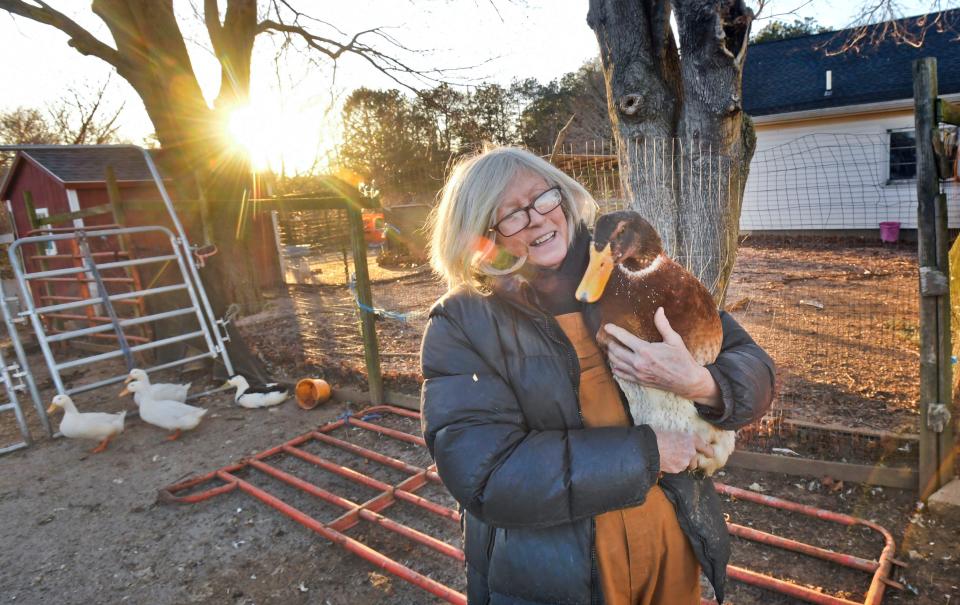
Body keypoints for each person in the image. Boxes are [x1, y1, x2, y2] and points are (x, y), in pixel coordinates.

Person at [420, 146, 775, 605]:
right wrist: (649, 452)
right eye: (510, 215)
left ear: (564, 197)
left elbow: (753, 364)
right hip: (556, 574)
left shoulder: (630, 275)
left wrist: (701, 385)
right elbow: (486, 472)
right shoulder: (463, 322)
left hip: (667, 540)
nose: (536, 219)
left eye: (543, 198)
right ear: (480, 238)